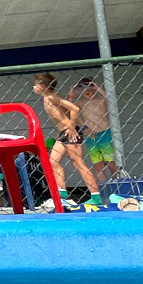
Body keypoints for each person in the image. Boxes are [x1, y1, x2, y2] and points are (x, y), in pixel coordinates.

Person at [33, 73, 102, 205]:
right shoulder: (48, 98)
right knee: (53, 161)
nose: (34, 87)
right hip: (63, 133)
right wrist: (82, 127)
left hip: (70, 132)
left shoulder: (51, 97)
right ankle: (61, 196)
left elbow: (74, 108)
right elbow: (66, 111)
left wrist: (71, 128)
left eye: (36, 84)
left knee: (78, 162)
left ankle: (96, 197)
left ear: (43, 86)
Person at [68, 77, 117, 184]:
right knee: (97, 165)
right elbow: (69, 107)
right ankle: (104, 187)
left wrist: (97, 88)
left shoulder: (101, 99)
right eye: (83, 89)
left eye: (89, 88)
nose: (87, 91)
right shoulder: (80, 102)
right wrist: (72, 93)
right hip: (90, 135)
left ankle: (117, 183)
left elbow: (111, 99)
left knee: (112, 163)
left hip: (104, 132)